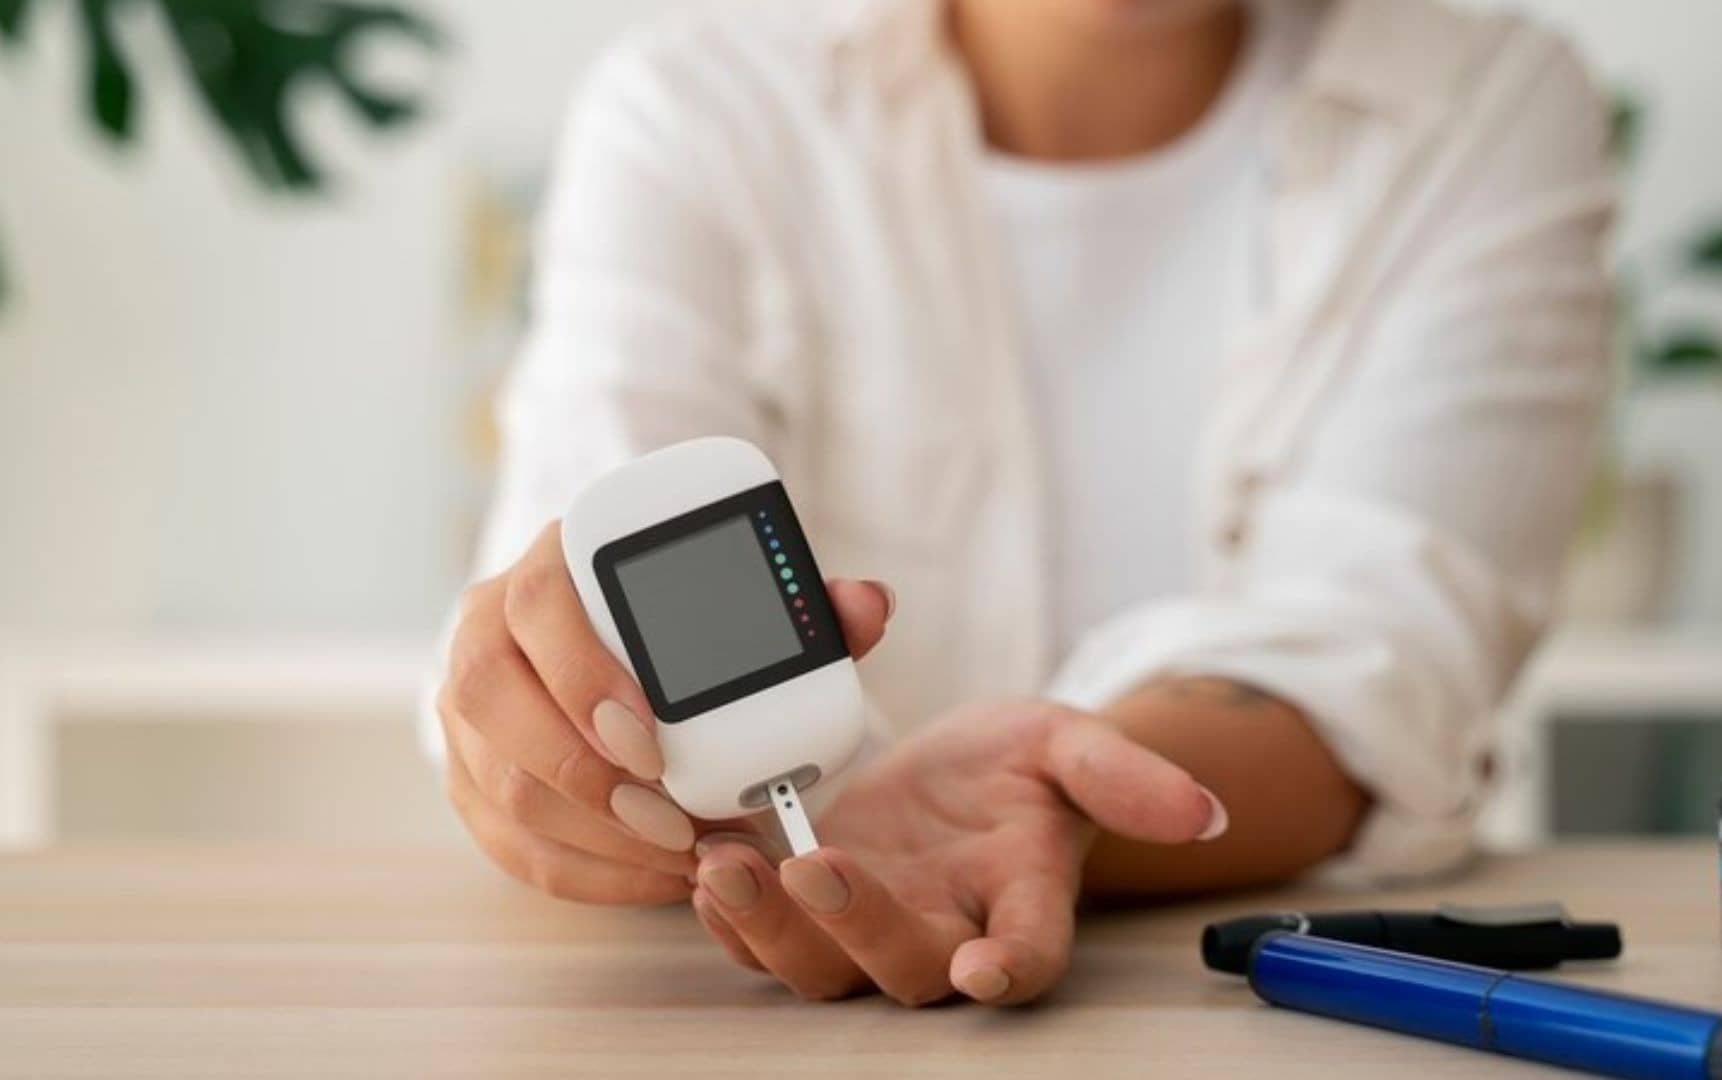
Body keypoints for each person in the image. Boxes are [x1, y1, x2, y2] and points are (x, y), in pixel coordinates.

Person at [427, 0, 1615, 1007]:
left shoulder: (1479, 102)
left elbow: (1383, 659)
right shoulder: (696, 108)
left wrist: (1050, 803)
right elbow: (572, 582)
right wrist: (545, 722)